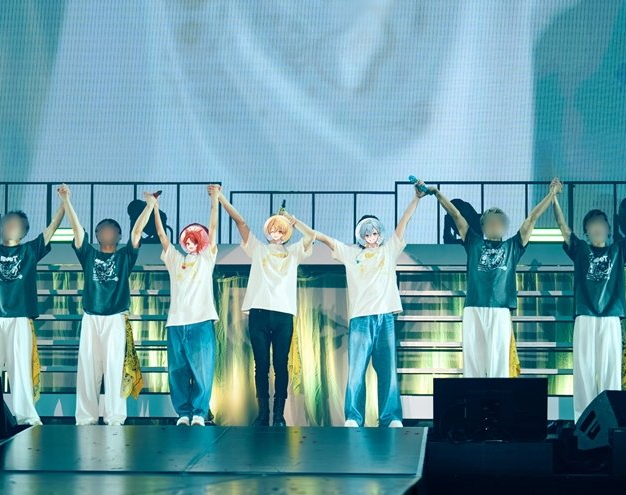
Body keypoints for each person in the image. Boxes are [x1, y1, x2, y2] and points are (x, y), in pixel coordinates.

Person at [309, 182, 427, 428]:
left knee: (388, 371)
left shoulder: (388, 250)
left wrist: (416, 198)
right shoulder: (351, 253)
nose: (371, 238)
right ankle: (353, 416)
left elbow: (403, 223)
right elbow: (324, 239)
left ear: (379, 234)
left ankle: (391, 417)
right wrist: (299, 225)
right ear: (360, 236)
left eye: (374, 233)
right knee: (356, 372)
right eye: (367, 234)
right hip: (361, 318)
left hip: (385, 317)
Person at [0, 183, 66, 426]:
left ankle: (26, 415)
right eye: (8, 222)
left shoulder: (30, 250)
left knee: (20, 369)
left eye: (16, 224)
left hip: (20, 317)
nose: (10, 226)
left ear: (24, 231)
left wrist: (63, 202)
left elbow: (52, 227)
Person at [432, 179, 561, 378]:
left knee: (499, 366)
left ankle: (499, 398)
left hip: (500, 310)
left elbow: (532, 218)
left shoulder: (513, 246)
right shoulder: (473, 242)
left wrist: (551, 195)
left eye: (499, 221)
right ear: (483, 226)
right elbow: (456, 215)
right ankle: (473, 398)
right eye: (490, 221)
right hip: (474, 308)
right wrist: (437, 193)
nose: (494, 224)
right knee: (473, 366)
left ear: (505, 226)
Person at [552, 185, 626, 420]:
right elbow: (562, 226)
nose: (597, 227)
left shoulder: (619, 249)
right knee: (584, 371)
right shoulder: (580, 250)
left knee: (610, 372)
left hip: (610, 317)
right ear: (586, 231)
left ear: (608, 229)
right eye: (592, 224)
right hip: (585, 316)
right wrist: (554, 198)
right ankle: (583, 422)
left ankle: (610, 421)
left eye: (601, 223)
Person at [60, 185, 158, 426]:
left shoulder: (125, 255)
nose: (107, 233)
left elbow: (137, 231)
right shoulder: (88, 254)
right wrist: (66, 200)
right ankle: (86, 418)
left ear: (118, 235)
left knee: (115, 368)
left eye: (111, 230)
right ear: (96, 235)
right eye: (102, 230)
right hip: (91, 316)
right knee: (88, 369)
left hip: (115, 317)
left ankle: (115, 417)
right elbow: (76, 229)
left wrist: (149, 206)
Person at [217, 192, 316, 426]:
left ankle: (278, 415)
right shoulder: (258, 248)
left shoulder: (293, 253)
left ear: (286, 233)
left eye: (281, 230)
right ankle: (263, 414)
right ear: (267, 231)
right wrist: (220, 198)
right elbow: (240, 222)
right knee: (261, 365)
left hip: (283, 314)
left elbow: (311, 236)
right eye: (273, 229)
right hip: (259, 313)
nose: (277, 234)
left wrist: (294, 222)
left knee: (281, 364)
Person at [153, 185, 220, 426]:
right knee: (177, 371)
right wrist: (155, 207)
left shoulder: (206, 259)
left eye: (195, 240)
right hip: (176, 323)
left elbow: (213, 228)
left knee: (202, 370)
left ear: (201, 242)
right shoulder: (175, 260)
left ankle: (200, 412)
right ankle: (183, 412)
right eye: (188, 241)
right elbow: (162, 237)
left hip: (200, 321)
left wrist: (215, 200)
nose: (191, 244)